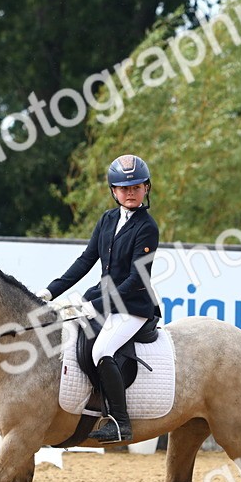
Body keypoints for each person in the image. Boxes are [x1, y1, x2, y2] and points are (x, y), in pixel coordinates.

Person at [37, 154, 160, 444]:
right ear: (114, 191)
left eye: (136, 187)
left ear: (146, 189)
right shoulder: (107, 219)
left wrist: (99, 305)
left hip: (133, 306)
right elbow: (85, 260)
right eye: (123, 188)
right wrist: (50, 291)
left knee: (101, 350)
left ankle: (120, 422)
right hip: (102, 297)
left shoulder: (147, 227)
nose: (130, 193)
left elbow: (137, 279)